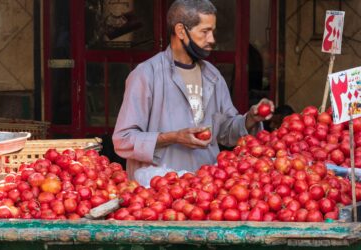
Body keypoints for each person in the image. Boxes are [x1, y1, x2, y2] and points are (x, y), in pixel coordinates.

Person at [112, 0, 274, 180]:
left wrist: (251, 118)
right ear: (181, 31)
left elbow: (226, 132)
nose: (212, 39)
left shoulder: (213, 76)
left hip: (204, 191)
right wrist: (173, 137)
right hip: (158, 192)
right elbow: (123, 140)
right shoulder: (147, 75)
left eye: (212, 31)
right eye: (205, 32)